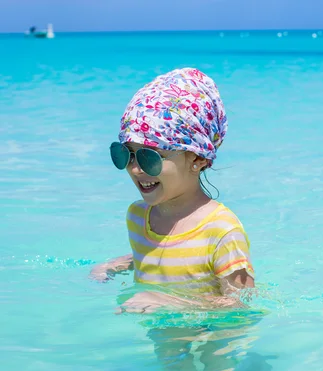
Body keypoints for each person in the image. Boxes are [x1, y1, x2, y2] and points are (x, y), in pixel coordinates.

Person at [89, 67, 255, 314]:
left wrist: (168, 302)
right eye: (127, 154)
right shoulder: (138, 216)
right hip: (163, 331)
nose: (135, 169)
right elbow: (167, 258)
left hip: (213, 337)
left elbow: (241, 306)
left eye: (150, 157)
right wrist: (118, 264)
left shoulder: (221, 231)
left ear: (197, 160)